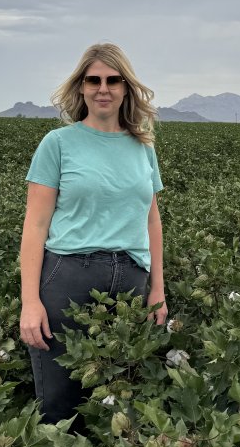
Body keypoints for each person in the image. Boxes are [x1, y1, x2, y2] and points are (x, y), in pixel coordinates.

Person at [19, 43, 167, 423]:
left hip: (132, 280)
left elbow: (152, 220)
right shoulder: (58, 144)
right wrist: (30, 302)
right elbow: (35, 226)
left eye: (113, 80)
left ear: (126, 88)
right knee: (60, 402)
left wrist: (157, 290)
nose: (104, 88)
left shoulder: (142, 145)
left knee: (122, 400)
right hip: (68, 277)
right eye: (94, 80)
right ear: (81, 87)